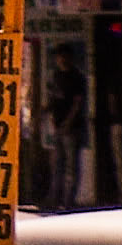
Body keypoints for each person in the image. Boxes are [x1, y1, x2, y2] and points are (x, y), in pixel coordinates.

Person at [46, 46, 88, 209]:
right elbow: (53, 99)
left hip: (72, 128)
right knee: (58, 165)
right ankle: (55, 199)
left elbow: (77, 103)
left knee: (71, 166)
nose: (61, 59)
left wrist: (68, 123)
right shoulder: (56, 76)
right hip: (57, 127)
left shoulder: (76, 77)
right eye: (59, 56)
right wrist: (45, 111)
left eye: (64, 56)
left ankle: (68, 201)